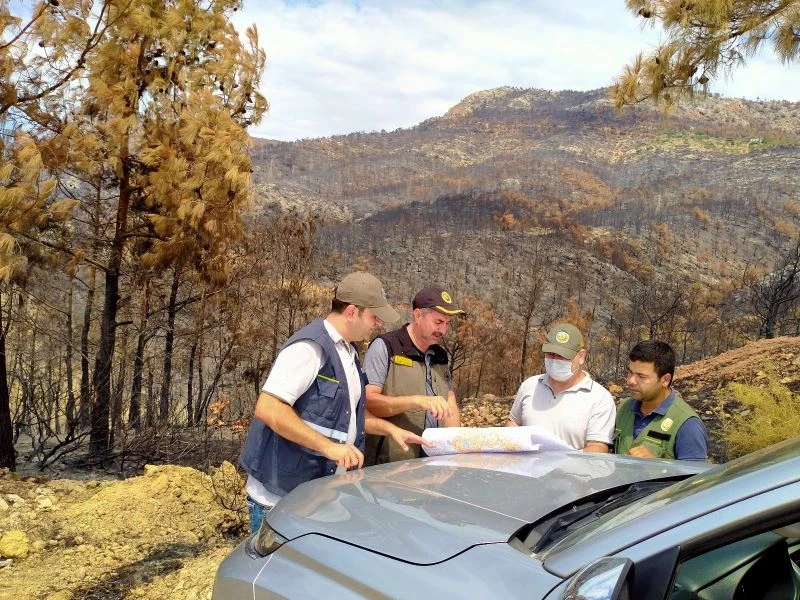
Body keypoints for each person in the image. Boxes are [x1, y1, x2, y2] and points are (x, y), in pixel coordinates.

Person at [239, 272, 428, 533]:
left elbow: (346, 416)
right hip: (281, 500)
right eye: (374, 317)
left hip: (315, 495)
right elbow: (269, 408)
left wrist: (391, 430)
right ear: (352, 312)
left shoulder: (348, 353)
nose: (378, 324)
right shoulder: (310, 348)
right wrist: (329, 447)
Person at [362, 286, 463, 464]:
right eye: (438, 322)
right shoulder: (385, 347)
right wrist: (416, 400)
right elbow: (369, 402)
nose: (443, 330)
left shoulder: (440, 356)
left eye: (447, 323)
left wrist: (455, 449)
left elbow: (450, 404)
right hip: (390, 465)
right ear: (418, 315)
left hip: (434, 464)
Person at [505, 322, 615, 452]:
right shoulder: (529, 386)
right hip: (527, 470)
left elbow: (598, 447)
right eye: (551, 354)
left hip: (572, 471)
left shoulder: (600, 398)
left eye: (563, 356)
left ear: (581, 356)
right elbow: (513, 422)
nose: (555, 360)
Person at [615, 340, 708, 461]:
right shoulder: (623, 408)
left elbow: (695, 478)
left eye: (641, 376)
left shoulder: (687, 424)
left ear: (665, 380)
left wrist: (657, 467)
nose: (631, 381)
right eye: (630, 372)